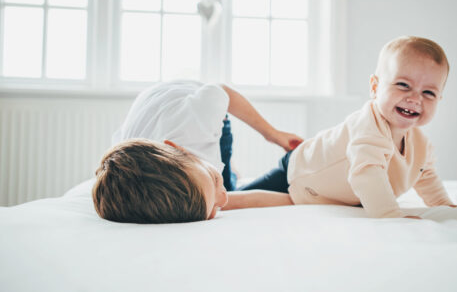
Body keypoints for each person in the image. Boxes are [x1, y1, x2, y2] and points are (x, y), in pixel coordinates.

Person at [239, 36, 457, 218]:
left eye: (428, 93)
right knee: (235, 200)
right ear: (375, 86)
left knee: (273, 202)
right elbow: (367, 173)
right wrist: (389, 214)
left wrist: (444, 205)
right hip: (300, 170)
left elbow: (424, 175)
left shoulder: (420, 144)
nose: (415, 98)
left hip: (327, 194)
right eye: (403, 85)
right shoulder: (368, 126)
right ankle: (217, 190)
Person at [93, 81, 301, 223]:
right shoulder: (140, 183)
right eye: (211, 212)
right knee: (223, 192)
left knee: (227, 186)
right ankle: (228, 175)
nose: (224, 200)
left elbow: (221, 91)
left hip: (190, 101)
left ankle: (226, 173)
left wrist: (273, 134)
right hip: (156, 122)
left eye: (212, 178)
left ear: (180, 150)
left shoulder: (198, 118)